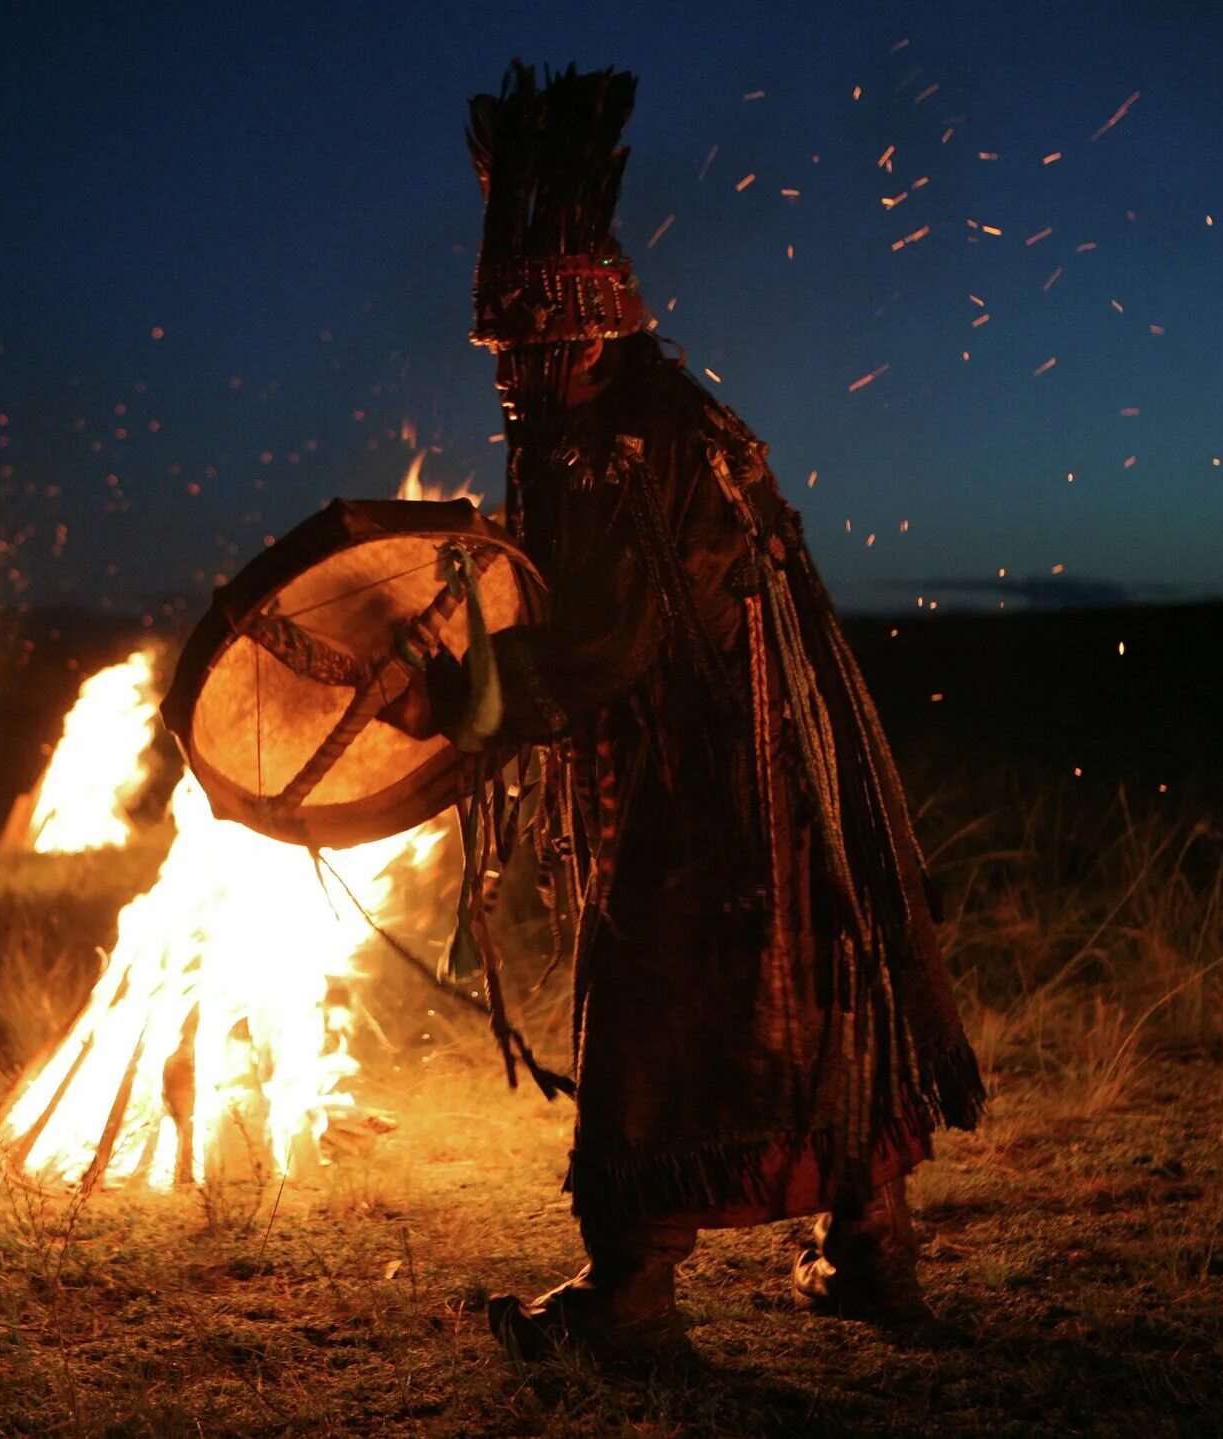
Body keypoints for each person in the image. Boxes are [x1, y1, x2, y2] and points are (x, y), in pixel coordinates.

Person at [386, 64, 986, 1362]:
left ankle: (635, 1301)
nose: (514, 381)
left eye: (529, 354)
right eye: (503, 357)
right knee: (820, 996)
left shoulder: (615, 447)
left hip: (711, 788)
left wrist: (444, 699)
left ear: (585, 337)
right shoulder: (682, 414)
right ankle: (873, 1254)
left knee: (671, 1025)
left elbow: (597, 649)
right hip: (786, 773)